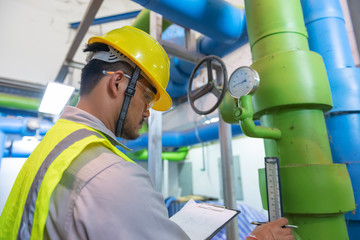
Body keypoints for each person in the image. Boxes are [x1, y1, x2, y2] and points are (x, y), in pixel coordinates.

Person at [0, 26, 294, 240]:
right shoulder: (112, 176)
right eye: (147, 98)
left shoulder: (55, 143)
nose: (148, 112)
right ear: (117, 83)